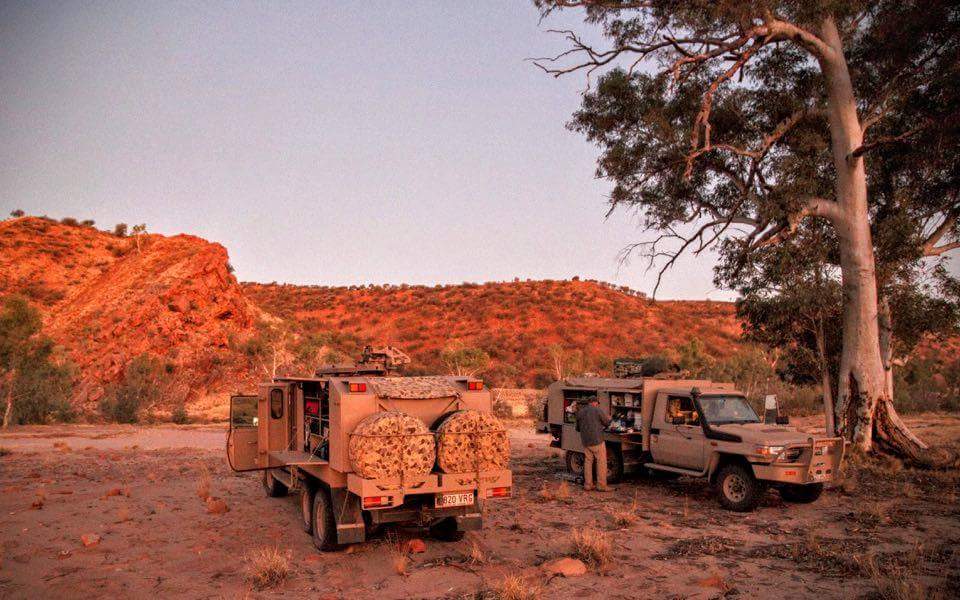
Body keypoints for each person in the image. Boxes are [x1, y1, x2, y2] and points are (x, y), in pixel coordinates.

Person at [576, 397, 613, 492]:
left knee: (588, 462)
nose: (597, 405)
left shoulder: (580, 412)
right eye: (597, 403)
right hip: (597, 441)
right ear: (594, 402)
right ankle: (601, 485)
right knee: (601, 463)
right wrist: (609, 418)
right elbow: (607, 423)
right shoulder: (597, 410)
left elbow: (577, 428)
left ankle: (588, 485)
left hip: (585, 441)